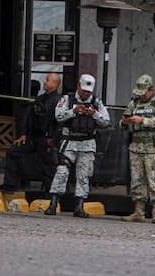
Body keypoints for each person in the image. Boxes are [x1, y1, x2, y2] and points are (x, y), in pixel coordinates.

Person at [45, 73, 111, 217]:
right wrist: (73, 111)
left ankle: (79, 206)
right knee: (61, 172)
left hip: (87, 144)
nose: (86, 94)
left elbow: (106, 121)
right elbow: (58, 116)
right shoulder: (67, 99)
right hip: (69, 142)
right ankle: (53, 203)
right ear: (78, 87)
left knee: (83, 175)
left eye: (88, 92)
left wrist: (94, 114)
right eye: (83, 91)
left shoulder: (96, 102)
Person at [0, 72, 62, 192]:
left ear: (55, 84)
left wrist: (53, 139)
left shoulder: (59, 101)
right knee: (13, 151)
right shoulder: (39, 99)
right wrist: (23, 134)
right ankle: (10, 185)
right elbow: (29, 117)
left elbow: (59, 123)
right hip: (33, 137)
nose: (45, 82)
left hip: (47, 139)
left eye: (48, 80)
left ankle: (49, 191)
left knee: (48, 164)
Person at [120, 74, 155, 223]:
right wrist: (125, 122)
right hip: (136, 147)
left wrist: (143, 120)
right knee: (137, 180)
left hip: (154, 148)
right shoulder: (134, 103)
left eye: (143, 93)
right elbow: (123, 120)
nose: (141, 96)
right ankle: (139, 212)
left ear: (150, 90)